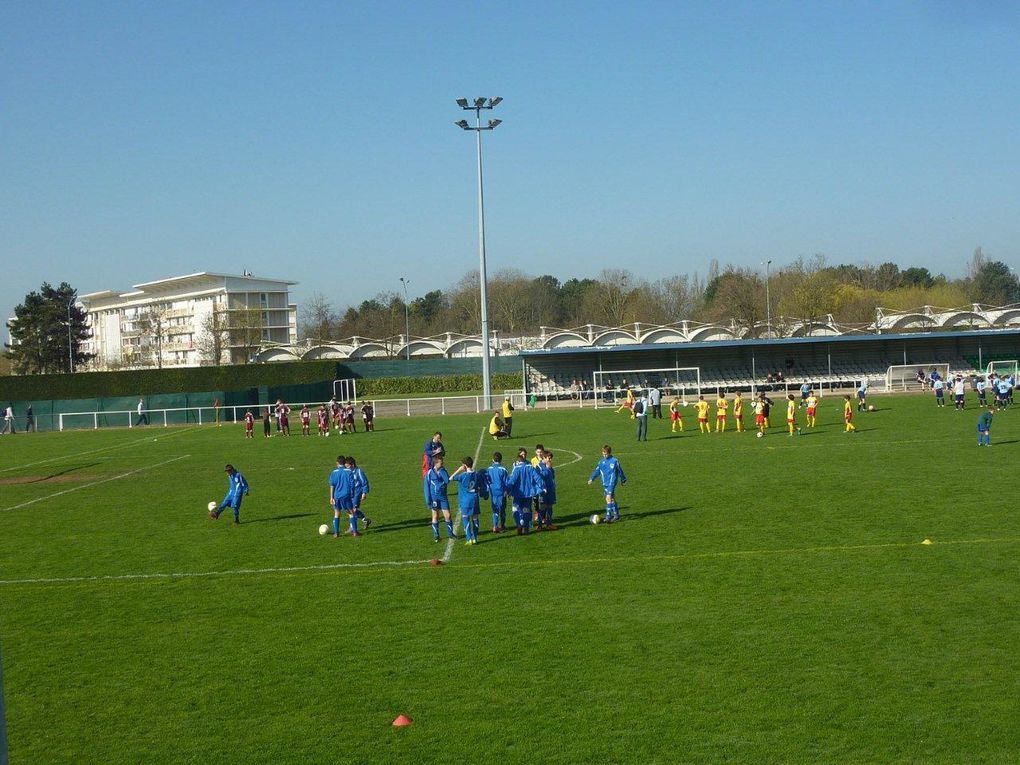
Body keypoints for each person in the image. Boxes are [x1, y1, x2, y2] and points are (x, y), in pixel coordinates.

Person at [450, 456, 486, 545]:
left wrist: (459, 470)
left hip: (465, 501)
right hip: (474, 500)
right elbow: (481, 486)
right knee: (475, 519)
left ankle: (469, 539)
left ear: (465, 465)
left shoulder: (463, 476)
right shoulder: (477, 475)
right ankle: (475, 538)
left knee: (466, 519)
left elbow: (450, 478)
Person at [588, 444, 626, 523]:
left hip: (612, 482)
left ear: (609, 453)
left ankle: (608, 517)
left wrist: (623, 479)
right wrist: (592, 478)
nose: (604, 455)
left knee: (608, 498)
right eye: (603, 453)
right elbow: (597, 471)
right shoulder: (601, 462)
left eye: (606, 454)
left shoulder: (614, 461)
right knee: (611, 499)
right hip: (605, 483)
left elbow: (620, 471)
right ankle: (616, 515)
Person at [424, 456, 455, 542]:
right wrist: (428, 500)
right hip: (434, 498)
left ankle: (450, 534)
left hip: (443, 497)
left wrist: (442, 472)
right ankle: (436, 535)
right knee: (435, 516)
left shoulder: (443, 470)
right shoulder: (429, 473)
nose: (442, 464)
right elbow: (426, 488)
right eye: (441, 463)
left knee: (448, 515)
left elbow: (447, 481)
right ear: (436, 463)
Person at [508, 452, 540, 535]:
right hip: (528, 493)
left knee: (515, 509)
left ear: (518, 461)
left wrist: (507, 490)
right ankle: (526, 527)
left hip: (518, 494)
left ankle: (518, 524)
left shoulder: (517, 468)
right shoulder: (530, 467)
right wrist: (542, 487)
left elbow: (512, 481)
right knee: (527, 510)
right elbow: (537, 477)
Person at [328, 455, 358, 537]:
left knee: (337, 513)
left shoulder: (334, 472)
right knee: (351, 513)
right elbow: (352, 484)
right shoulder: (349, 472)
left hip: (337, 496)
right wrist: (352, 494)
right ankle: (355, 532)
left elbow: (332, 485)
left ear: (337, 463)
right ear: (345, 462)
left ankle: (336, 533)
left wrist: (331, 497)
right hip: (346, 495)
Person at [486, 452, 510, 533]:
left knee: (495, 510)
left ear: (493, 459)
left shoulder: (489, 469)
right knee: (502, 510)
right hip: (501, 492)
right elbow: (507, 481)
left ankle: (495, 526)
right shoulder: (503, 469)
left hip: (493, 492)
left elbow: (487, 480)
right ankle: (502, 526)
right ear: (501, 460)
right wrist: (507, 491)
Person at [349, 456, 372, 531]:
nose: (346, 467)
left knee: (353, 510)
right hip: (350, 493)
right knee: (350, 510)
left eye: (347, 466)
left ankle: (352, 527)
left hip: (357, 493)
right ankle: (365, 520)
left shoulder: (359, 471)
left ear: (352, 465)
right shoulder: (348, 472)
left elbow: (364, 482)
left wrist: (364, 493)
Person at [535, 451, 557, 530]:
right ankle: (540, 525)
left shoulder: (549, 465)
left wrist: (550, 468)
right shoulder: (538, 466)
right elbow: (538, 477)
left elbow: (553, 476)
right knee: (542, 509)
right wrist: (548, 469)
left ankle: (549, 524)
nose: (550, 460)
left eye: (551, 458)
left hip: (550, 490)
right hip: (543, 491)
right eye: (549, 458)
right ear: (544, 457)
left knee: (550, 508)